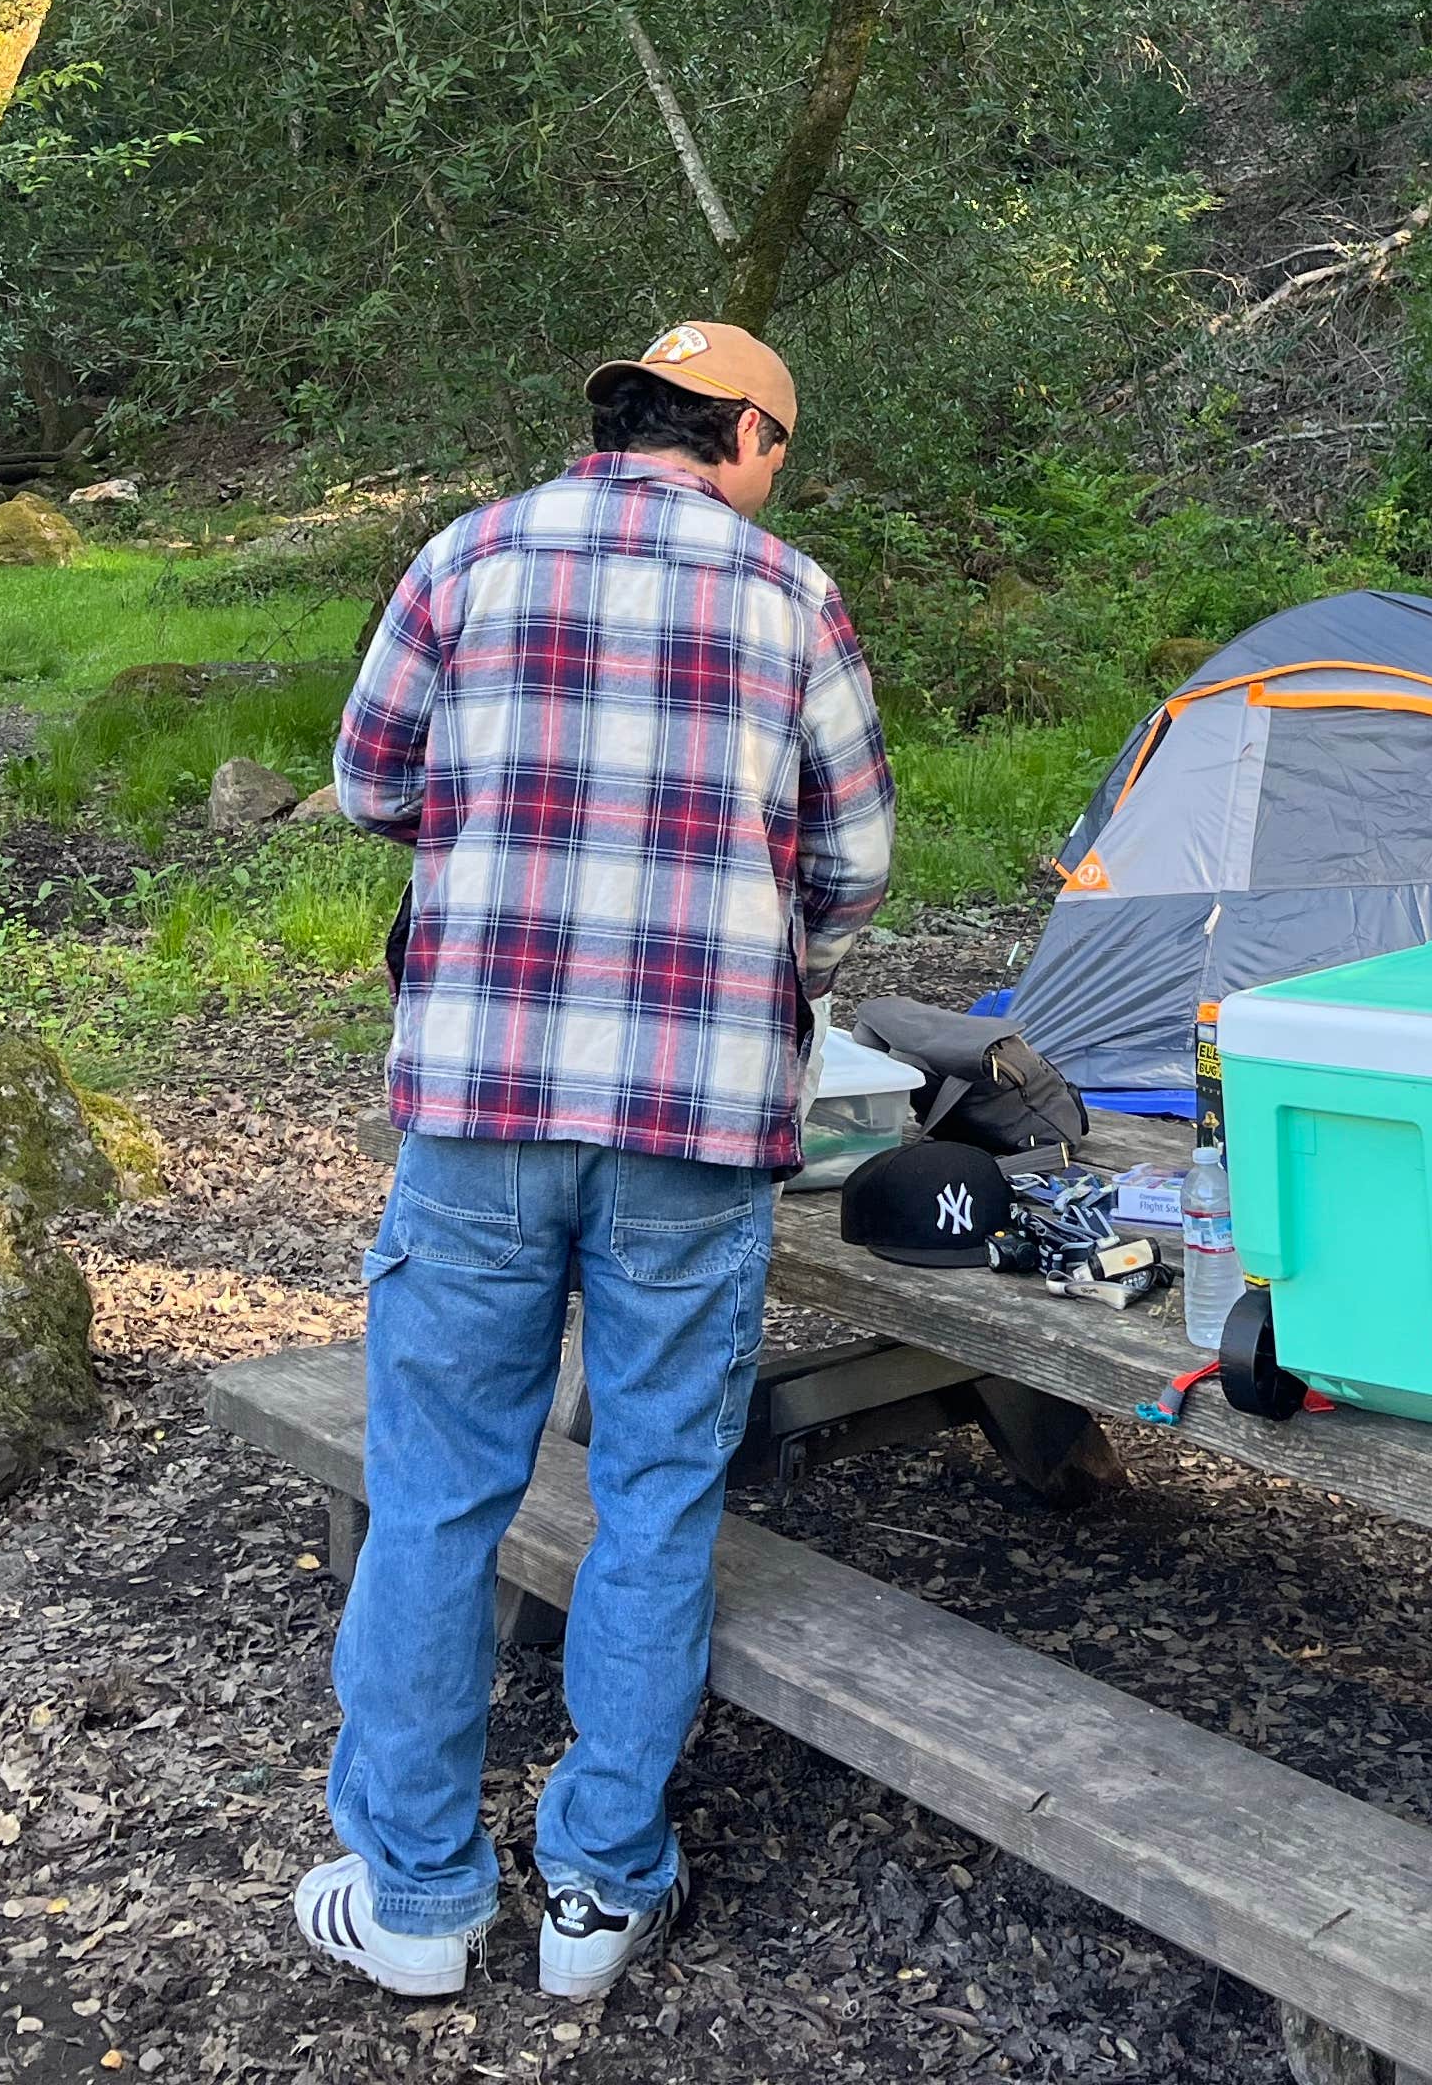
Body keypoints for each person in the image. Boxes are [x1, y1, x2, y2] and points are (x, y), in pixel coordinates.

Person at [296, 319, 895, 2006]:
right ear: (749, 439)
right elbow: (854, 859)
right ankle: (598, 1892)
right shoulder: (793, 595)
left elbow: (367, 786)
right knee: (656, 1496)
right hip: (698, 1122)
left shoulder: (466, 555)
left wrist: (504, 835)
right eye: (783, 449)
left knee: (433, 1498)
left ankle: (414, 1898)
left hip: (482, 1096)